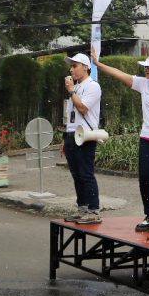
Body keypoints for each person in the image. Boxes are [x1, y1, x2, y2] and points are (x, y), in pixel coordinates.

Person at [91, 48, 149, 232]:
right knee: (144, 177)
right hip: (147, 137)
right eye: (145, 67)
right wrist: (98, 64)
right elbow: (120, 74)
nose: (146, 70)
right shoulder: (143, 84)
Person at [61, 53, 103, 225]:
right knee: (76, 174)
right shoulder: (77, 88)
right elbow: (71, 118)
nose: (72, 69)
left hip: (85, 136)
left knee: (86, 173)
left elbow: (83, 108)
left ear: (85, 67)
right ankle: (82, 208)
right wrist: (65, 138)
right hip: (73, 135)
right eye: (71, 66)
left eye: (75, 65)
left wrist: (71, 90)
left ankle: (94, 210)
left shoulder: (92, 86)